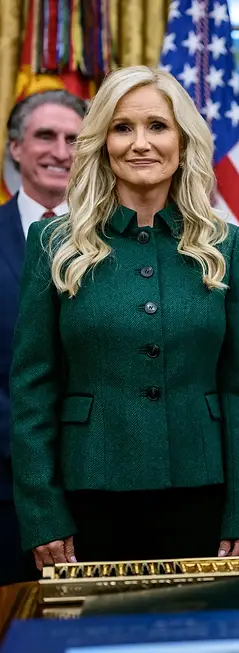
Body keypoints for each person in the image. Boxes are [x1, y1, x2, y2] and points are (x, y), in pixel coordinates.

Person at [10, 66, 239, 568]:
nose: (140, 143)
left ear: (183, 141)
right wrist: (43, 513)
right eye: (123, 127)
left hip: (202, 493)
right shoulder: (53, 243)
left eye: (157, 126)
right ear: (102, 141)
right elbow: (32, 390)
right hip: (88, 495)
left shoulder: (223, 245)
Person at [0, 90, 86, 585]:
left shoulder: (125, 243)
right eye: (45, 136)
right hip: (4, 490)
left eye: (75, 138)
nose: (61, 151)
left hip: (100, 486)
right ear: (16, 148)